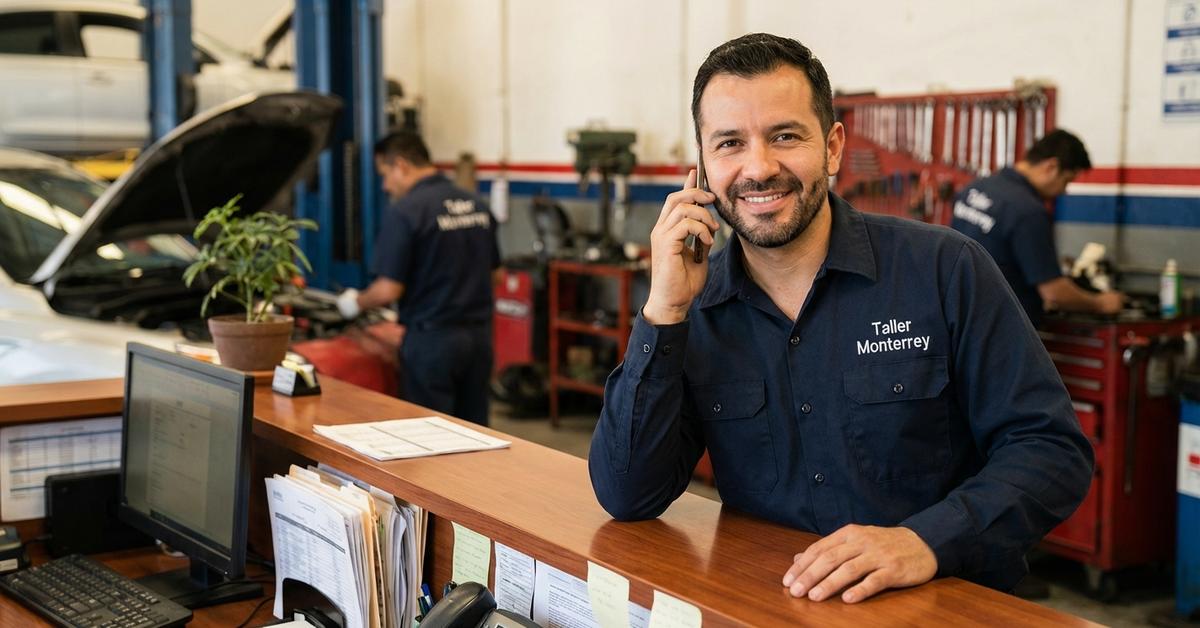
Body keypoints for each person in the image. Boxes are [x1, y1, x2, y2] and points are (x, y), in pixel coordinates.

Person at [588, 33, 1093, 604]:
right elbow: (628, 494)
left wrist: (926, 539)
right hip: (771, 606)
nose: (758, 167)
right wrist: (665, 311)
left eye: (785, 135)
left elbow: (1051, 449)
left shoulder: (945, 270)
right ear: (702, 165)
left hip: (940, 607)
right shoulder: (695, 308)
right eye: (729, 143)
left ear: (832, 148)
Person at [337, 130, 500, 426]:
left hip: (432, 342)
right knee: (476, 436)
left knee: (428, 436)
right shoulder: (476, 204)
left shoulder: (406, 212)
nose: (386, 186)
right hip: (479, 340)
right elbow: (496, 275)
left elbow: (388, 289)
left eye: (385, 174)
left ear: (401, 165)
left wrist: (355, 302)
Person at [951, 129, 1124, 326]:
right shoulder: (1028, 211)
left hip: (963, 317)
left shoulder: (975, 188)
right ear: (1051, 166)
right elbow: (1054, 292)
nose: (1064, 191)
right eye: (1066, 180)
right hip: (1002, 328)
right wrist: (1101, 303)